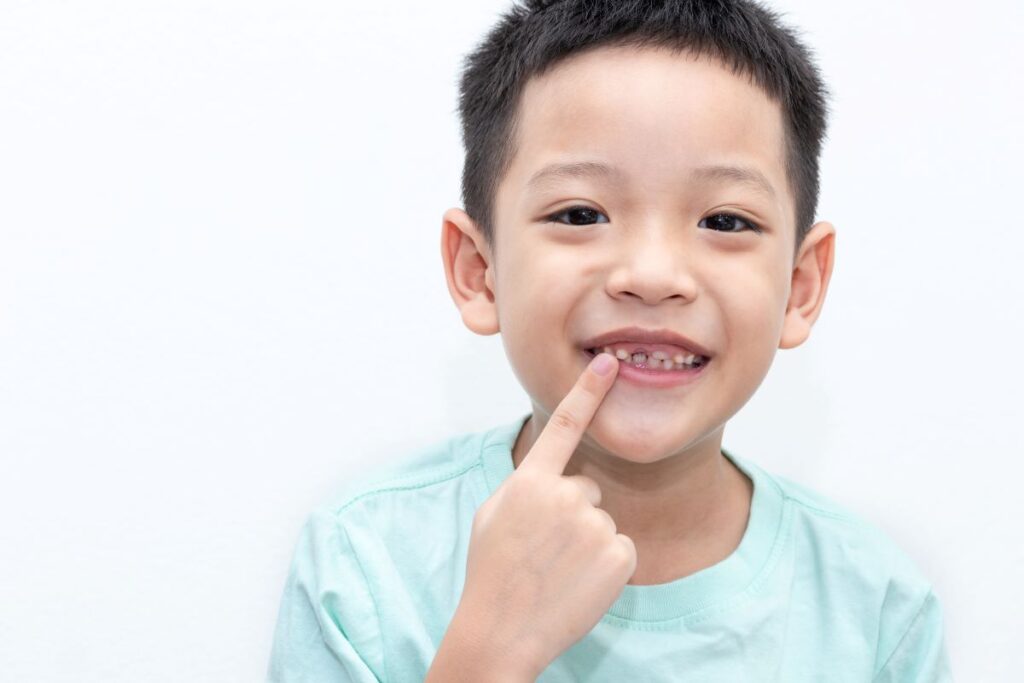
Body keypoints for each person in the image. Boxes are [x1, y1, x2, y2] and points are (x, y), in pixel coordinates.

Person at [266, 0, 953, 680]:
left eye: (725, 220)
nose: (652, 275)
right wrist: (488, 650)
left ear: (800, 286)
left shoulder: (878, 613)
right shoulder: (362, 567)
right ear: (479, 272)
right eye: (580, 212)